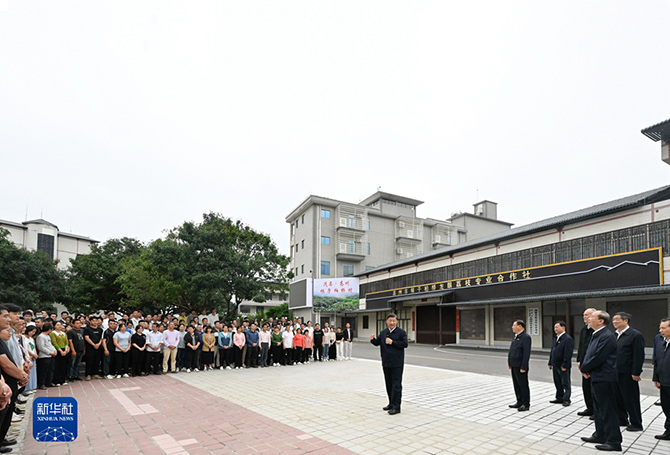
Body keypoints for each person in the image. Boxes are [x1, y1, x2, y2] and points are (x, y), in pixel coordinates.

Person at [580, 311, 622, 452]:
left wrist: (585, 368)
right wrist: (586, 368)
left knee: (608, 410)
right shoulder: (596, 334)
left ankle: (614, 441)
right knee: (598, 409)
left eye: (592, 317)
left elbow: (599, 357)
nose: (589, 318)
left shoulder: (607, 336)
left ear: (601, 321)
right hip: (596, 376)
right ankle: (600, 434)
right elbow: (589, 354)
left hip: (605, 378)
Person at [612, 312, 645, 432]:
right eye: (613, 319)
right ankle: (622, 419)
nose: (614, 322)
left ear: (626, 321)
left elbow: (639, 355)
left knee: (631, 398)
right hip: (615, 371)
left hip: (628, 372)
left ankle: (636, 423)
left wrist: (636, 372)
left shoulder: (635, 335)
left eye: (617, 319)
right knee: (618, 397)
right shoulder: (615, 335)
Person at [370, 313, 408, 415]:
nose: (392, 322)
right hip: (386, 362)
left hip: (397, 363)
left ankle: (396, 407)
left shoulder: (401, 332)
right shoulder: (383, 332)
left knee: (396, 385)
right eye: (390, 321)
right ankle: (391, 403)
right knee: (388, 383)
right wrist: (373, 340)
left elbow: (405, 344)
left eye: (393, 321)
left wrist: (393, 342)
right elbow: (378, 342)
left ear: (396, 321)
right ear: (387, 321)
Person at [548, 321, 574, 406]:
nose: (555, 329)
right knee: (557, 382)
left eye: (557, 327)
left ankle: (566, 399)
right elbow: (552, 351)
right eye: (554, 327)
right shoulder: (556, 338)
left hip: (563, 365)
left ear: (563, 328)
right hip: (555, 364)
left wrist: (565, 364)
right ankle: (559, 397)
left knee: (565, 383)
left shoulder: (567, 339)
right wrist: (550, 362)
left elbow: (568, 353)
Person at [508, 320, 531, 412]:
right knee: (516, 384)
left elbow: (526, 354)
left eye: (514, 325)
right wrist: (510, 363)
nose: (512, 327)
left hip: (520, 365)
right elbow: (512, 351)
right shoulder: (516, 337)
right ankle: (519, 401)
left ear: (520, 326)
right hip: (514, 365)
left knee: (523, 385)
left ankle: (525, 404)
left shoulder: (525, 337)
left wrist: (524, 366)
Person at [652, 317, 670, 441]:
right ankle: (668, 431)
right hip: (664, 381)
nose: (661, 331)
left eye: (664, 328)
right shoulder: (661, 342)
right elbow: (657, 362)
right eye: (660, 328)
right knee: (666, 406)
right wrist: (656, 378)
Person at [577, 308, 596, 417]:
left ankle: (596, 410)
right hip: (584, 362)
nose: (585, 317)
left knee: (593, 388)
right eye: (584, 315)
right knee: (586, 387)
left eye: (587, 315)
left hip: (593, 363)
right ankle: (589, 408)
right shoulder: (584, 330)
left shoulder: (596, 331)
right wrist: (579, 361)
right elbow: (581, 346)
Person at [36, 322, 57, 389]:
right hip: (44, 356)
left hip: (51, 355)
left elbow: (50, 345)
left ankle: (49, 382)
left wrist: (54, 350)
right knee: (43, 371)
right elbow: (41, 347)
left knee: (50, 370)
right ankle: (42, 384)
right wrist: (50, 352)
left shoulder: (48, 336)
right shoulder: (40, 336)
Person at [49, 321, 70, 386]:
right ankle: (56, 381)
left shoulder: (64, 333)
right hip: (57, 350)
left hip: (64, 350)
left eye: (60, 325)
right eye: (57, 325)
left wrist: (66, 349)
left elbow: (66, 342)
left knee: (63, 366)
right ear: (54, 326)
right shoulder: (53, 333)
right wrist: (60, 351)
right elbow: (54, 343)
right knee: (57, 366)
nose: (59, 326)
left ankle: (62, 380)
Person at [84, 315, 103, 380]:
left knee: (97, 360)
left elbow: (101, 338)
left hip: (98, 347)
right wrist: (93, 344)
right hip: (90, 347)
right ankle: (88, 374)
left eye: (96, 321)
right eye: (93, 321)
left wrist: (98, 344)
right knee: (89, 361)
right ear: (90, 321)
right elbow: (87, 338)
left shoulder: (100, 329)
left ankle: (95, 374)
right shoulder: (87, 329)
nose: (95, 322)